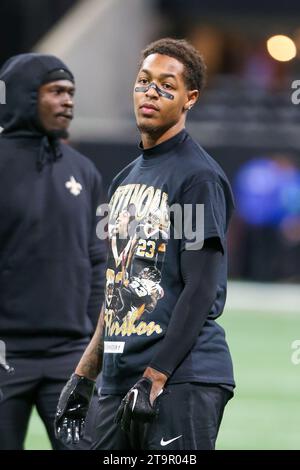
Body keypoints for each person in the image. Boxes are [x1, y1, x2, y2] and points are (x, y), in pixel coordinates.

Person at [55, 38, 235, 451]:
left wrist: (156, 376)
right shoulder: (123, 180)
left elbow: (201, 288)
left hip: (179, 379)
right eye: (143, 81)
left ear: (190, 98)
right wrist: (84, 376)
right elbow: (117, 285)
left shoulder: (197, 178)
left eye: (165, 85)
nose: (151, 92)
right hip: (121, 379)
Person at [0, 53, 106, 450]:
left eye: (72, 93)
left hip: (69, 355)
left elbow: (98, 260)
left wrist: (91, 342)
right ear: (27, 97)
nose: (68, 101)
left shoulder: (84, 170)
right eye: (56, 91)